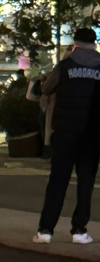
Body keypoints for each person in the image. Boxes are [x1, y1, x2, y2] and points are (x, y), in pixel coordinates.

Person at [32, 27, 100, 244]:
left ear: (75, 43)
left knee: (58, 181)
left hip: (64, 132)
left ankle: (46, 230)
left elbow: (47, 89)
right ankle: (79, 229)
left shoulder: (66, 65)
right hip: (92, 134)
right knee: (86, 183)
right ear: (95, 43)